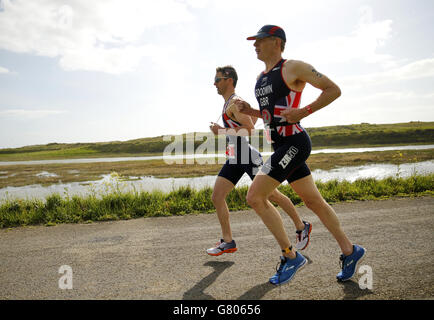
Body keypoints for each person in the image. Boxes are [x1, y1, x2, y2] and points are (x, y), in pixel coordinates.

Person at [235, 25, 366, 285]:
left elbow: (332, 89)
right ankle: (350, 251)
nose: (254, 45)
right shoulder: (261, 78)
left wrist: (303, 112)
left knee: (255, 197)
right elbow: (272, 116)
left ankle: (291, 256)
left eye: (259, 41)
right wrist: (252, 111)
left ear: (276, 41)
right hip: (280, 145)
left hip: (294, 143)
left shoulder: (293, 67)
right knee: (313, 202)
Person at [206, 65, 312, 257]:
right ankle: (228, 241)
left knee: (273, 195)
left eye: (218, 79)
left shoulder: (235, 102)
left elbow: (250, 130)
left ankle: (300, 225)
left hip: (247, 156)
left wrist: (220, 132)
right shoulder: (230, 103)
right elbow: (252, 122)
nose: (214, 83)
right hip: (235, 158)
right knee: (217, 197)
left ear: (229, 80)